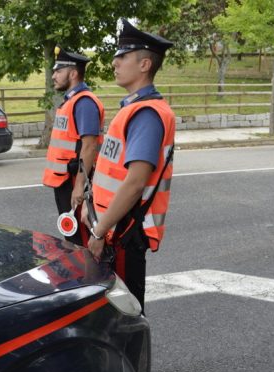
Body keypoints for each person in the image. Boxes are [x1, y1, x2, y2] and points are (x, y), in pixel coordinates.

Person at [82, 19, 175, 312]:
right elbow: (112, 172)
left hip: (122, 232)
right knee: (110, 312)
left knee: (125, 316)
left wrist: (100, 233)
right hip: (111, 225)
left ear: (145, 64)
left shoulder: (147, 114)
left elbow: (135, 183)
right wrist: (90, 205)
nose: (114, 62)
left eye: (122, 56)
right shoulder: (133, 109)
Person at [43, 47, 104, 246]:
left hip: (74, 182)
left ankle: (88, 276)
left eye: (58, 71)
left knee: (81, 241)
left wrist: (79, 187)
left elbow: (89, 146)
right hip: (65, 181)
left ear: (73, 73)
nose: (53, 76)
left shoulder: (84, 102)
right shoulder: (71, 101)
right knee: (72, 237)